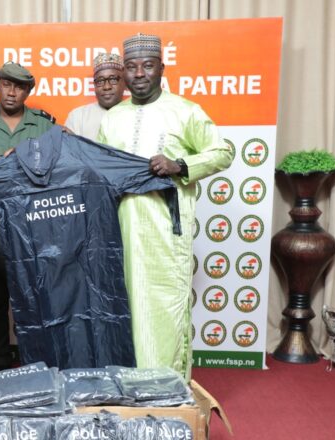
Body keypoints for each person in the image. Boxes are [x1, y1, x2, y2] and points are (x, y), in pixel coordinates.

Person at [98, 33, 233, 379]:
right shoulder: (113, 118)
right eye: (131, 66)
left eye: (147, 65)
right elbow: (98, 171)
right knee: (124, 307)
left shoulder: (185, 111)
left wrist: (180, 166)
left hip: (165, 233)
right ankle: (127, 385)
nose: (139, 73)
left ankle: (167, 386)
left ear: (162, 68)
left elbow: (223, 152)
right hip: (121, 232)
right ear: (124, 72)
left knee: (163, 309)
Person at [0, 61, 55, 371]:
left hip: (32, 230)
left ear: (28, 91)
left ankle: (35, 361)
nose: (11, 92)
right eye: (6, 85)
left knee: (34, 300)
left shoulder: (43, 124)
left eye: (19, 86)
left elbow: (55, 169)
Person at [65, 53, 126, 139]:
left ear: (124, 82)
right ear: (94, 85)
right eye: (100, 81)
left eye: (113, 79)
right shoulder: (78, 116)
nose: (106, 87)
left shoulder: (137, 115)